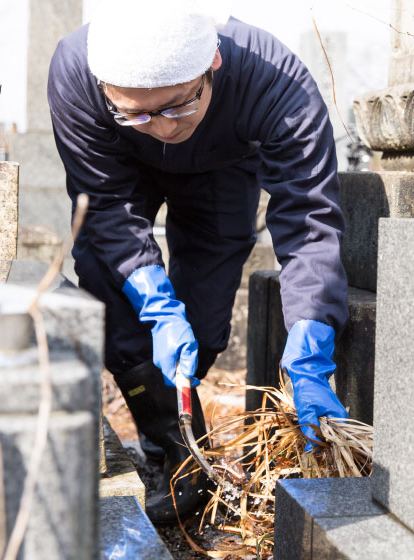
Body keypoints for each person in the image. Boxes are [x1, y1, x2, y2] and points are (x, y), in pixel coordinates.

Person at [48, 0, 349, 524]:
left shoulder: (277, 84)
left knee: (205, 322)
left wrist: (313, 335)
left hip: (223, 169)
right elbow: (104, 203)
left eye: (176, 107)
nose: (162, 128)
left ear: (212, 64)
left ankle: (177, 410)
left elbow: (309, 218)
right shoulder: (75, 71)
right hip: (122, 174)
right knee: (112, 290)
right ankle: (171, 449)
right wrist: (154, 304)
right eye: (136, 110)